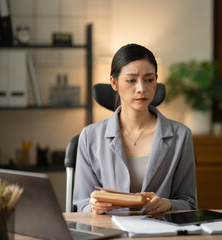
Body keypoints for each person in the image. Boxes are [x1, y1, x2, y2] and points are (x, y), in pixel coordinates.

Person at [73, 43, 197, 215]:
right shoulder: (89, 136)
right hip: (109, 232)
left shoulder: (180, 136)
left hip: (160, 232)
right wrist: (93, 206)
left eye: (149, 80)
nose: (141, 89)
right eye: (131, 80)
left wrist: (167, 204)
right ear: (114, 83)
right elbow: (81, 204)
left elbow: (189, 203)